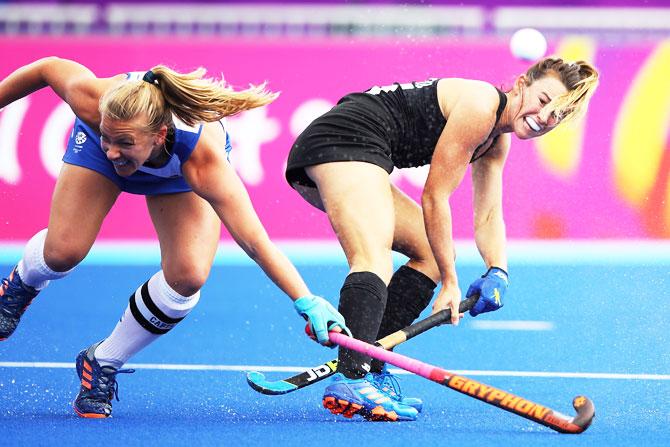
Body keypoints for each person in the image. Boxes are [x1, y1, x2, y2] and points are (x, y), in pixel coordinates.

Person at [0, 57, 348, 418]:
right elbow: (47, 68)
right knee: (62, 253)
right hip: (96, 153)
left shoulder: (201, 158)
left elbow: (256, 242)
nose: (113, 150)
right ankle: (20, 286)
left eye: (123, 142)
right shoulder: (93, 102)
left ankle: (103, 361)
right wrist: (108, 140)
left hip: (175, 175)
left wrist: (306, 301)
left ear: (159, 136)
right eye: (108, 137)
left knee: (189, 276)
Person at [285, 57, 599, 422]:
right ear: (521, 84)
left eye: (557, 114)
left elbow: (488, 215)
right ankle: (353, 376)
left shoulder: (496, 142)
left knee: (430, 255)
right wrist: (451, 281)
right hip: (342, 141)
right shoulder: (482, 105)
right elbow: (434, 196)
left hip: (359, 152)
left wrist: (498, 270)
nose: (545, 117)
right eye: (544, 100)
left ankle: (368, 362)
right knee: (373, 258)